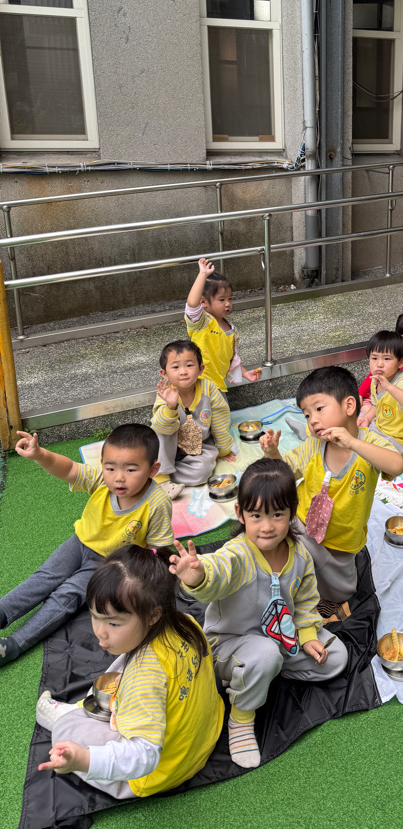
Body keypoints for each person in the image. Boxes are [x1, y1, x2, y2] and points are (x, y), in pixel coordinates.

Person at [171, 459, 347, 769]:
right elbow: (217, 570)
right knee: (265, 654)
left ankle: (262, 673)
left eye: (277, 515)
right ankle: (241, 716)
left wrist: (308, 637)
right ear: (240, 514)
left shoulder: (300, 555)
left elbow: (306, 602)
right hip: (229, 648)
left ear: (292, 513)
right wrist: (197, 576)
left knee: (336, 658)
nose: (267, 526)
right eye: (256, 516)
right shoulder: (238, 554)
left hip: (279, 638)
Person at [35, 545, 222, 798]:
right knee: (126, 661)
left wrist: (84, 760)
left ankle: (72, 715)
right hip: (205, 735)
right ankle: (91, 707)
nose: (100, 632)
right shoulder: (186, 624)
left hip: (160, 772)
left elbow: (144, 754)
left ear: (153, 615)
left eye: (113, 623)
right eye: (95, 616)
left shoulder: (142, 679)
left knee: (66, 727)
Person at [0, 426, 172, 666]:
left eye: (131, 469)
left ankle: (13, 645)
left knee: (66, 596)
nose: (119, 477)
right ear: (102, 465)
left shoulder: (157, 503)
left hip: (109, 565)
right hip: (79, 543)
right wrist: (40, 454)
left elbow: (159, 551)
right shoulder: (101, 480)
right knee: (44, 577)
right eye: (110, 468)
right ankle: (3, 611)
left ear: (153, 470)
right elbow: (69, 469)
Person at [260, 367, 403, 606]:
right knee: (285, 566)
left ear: (349, 406)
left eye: (319, 409)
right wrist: (272, 453)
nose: (313, 420)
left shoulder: (368, 443)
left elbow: (397, 465)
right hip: (301, 527)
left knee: (341, 594)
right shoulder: (313, 445)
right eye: (306, 415)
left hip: (342, 543)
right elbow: (282, 474)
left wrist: (353, 443)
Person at [152, 339, 237, 499]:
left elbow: (220, 420)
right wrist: (170, 407)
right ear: (164, 374)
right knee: (162, 430)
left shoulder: (208, 388)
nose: (183, 372)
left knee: (203, 472)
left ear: (200, 369)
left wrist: (224, 449)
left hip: (199, 447)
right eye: (175, 367)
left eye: (189, 365)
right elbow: (160, 428)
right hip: (168, 448)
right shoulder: (165, 393)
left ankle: (154, 471)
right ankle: (162, 478)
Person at [185, 257, 262, 395]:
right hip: (198, 385)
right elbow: (192, 304)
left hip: (217, 386)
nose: (227, 304)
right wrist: (202, 274)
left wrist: (245, 373)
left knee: (222, 410)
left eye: (230, 299)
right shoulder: (202, 323)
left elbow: (230, 359)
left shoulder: (231, 329)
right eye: (221, 299)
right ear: (203, 302)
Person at [356, 330, 403, 454]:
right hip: (379, 428)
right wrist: (367, 418)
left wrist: (389, 387)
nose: (379, 364)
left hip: (400, 439)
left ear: (401, 362)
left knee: (370, 453)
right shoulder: (375, 380)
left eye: (387, 359)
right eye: (374, 358)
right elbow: (376, 405)